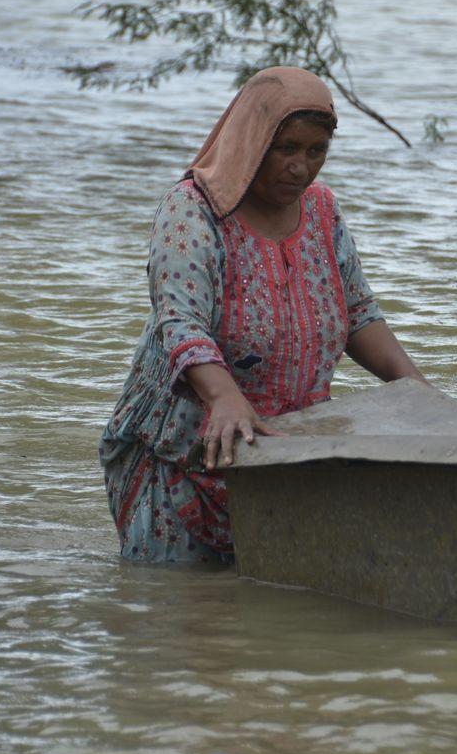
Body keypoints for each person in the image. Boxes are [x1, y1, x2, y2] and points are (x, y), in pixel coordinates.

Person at [99, 66, 424, 564]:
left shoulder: (322, 211)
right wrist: (225, 399)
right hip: (181, 457)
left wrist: (417, 393)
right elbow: (180, 322)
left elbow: (357, 311)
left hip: (282, 460)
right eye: (287, 148)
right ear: (253, 140)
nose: (301, 168)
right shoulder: (193, 210)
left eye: (316, 152)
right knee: (178, 615)